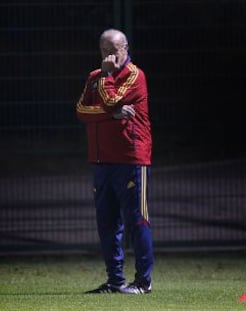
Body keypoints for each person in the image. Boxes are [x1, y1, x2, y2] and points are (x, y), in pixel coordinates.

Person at [76, 28, 154, 294]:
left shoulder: (135, 75)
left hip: (131, 159)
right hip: (101, 161)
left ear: (126, 48)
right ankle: (115, 281)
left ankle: (143, 282)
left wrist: (108, 78)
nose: (109, 57)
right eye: (104, 51)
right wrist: (111, 115)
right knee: (107, 223)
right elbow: (81, 111)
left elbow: (110, 99)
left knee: (137, 220)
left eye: (114, 51)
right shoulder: (94, 76)